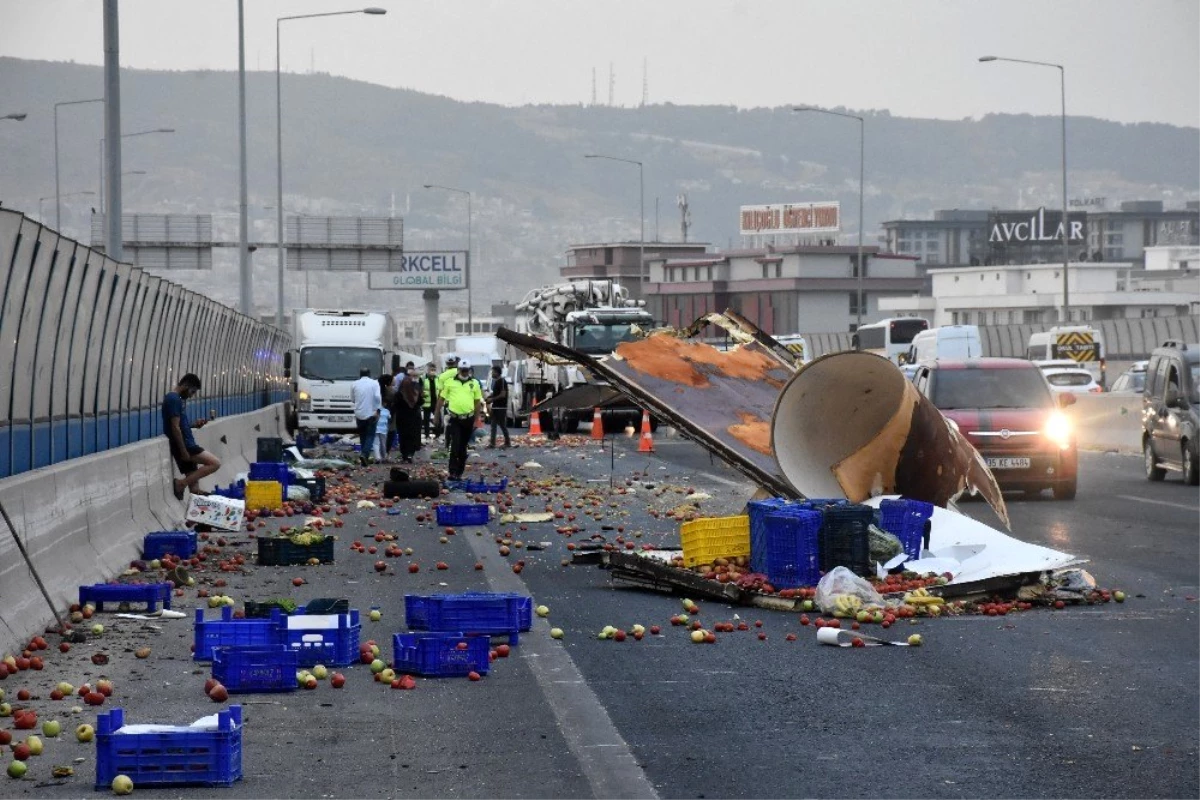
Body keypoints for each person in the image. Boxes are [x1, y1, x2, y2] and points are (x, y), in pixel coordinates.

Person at [162, 373, 221, 500]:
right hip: (186, 445)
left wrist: (194, 424)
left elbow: (180, 425)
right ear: (186, 385)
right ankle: (180, 484)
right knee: (215, 463)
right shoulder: (173, 399)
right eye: (192, 391)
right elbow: (175, 428)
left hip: (186, 443)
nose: (191, 395)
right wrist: (184, 451)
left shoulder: (177, 399)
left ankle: (202, 514)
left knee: (195, 490)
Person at [436, 358, 484, 481]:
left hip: (468, 419)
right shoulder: (449, 382)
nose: (464, 372)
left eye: (466, 370)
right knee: (455, 445)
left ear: (469, 370)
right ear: (458, 370)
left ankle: (459, 472)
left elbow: (477, 402)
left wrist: (476, 420)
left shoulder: (474, 383)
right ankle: (452, 472)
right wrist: (437, 415)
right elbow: (441, 399)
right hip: (454, 419)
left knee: (463, 447)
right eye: (462, 370)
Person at [350, 367, 381, 467]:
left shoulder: (354, 384)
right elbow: (377, 397)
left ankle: (365, 458)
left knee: (363, 435)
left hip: (359, 413)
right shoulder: (375, 383)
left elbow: (352, 399)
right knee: (370, 435)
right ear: (369, 374)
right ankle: (364, 454)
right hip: (371, 413)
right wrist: (377, 409)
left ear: (360, 374)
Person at [393, 365, 424, 463]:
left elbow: (396, 403)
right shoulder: (416, 390)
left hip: (402, 417)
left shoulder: (401, 392)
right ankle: (410, 454)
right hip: (414, 416)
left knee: (403, 436)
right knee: (413, 435)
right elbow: (421, 401)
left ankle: (405, 455)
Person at [436, 355, 460, 447]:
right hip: (460, 403)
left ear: (446, 363)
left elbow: (440, 394)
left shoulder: (442, 376)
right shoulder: (459, 372)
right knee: (460, 424)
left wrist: (437, 409)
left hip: (448, 405)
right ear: (455, 362)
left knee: (448, 425)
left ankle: (447, 444)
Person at [487, 364, 511, 448]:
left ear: (497, 372)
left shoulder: (502, 381)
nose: (492, 374)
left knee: (502, 425)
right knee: (493, 425)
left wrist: (492, 400)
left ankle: (508, 442)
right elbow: (496, 393)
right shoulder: (496, 382)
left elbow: (503, 394)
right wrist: (489, 397)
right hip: (495, 407)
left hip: (501, 407)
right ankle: (492, 443)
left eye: (493, 372)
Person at [421, 362, 439, 439]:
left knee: (438, 420)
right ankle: (427, 434)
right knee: (426, 420)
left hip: (436, 403)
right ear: (428, 370)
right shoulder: (423, 379)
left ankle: (437, 434)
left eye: (434, 370)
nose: (433, 371)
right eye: (431, 369)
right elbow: (420, 389)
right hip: (427, 403)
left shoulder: (437, 378)